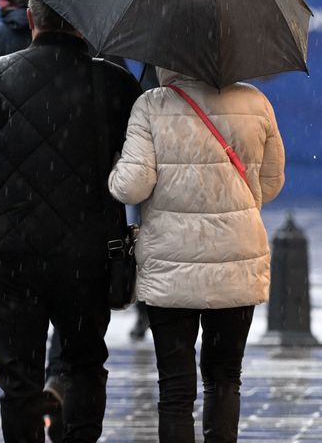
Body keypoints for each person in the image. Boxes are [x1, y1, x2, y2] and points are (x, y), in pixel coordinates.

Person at [0, 0, 141, 443]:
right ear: (84, 25)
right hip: (88, 257)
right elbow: (139, 164)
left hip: (15, 258)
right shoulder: (116, 83)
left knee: (18, 379)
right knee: (86, 363)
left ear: (31, 19)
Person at [108, 67, 285, 442]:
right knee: (224, 379)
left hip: (170, 265)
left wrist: (115, 169)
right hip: (237, 259)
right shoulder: (255, 102)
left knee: (175, 389)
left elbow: (132, 187)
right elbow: (271, 183)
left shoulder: (151, 105)